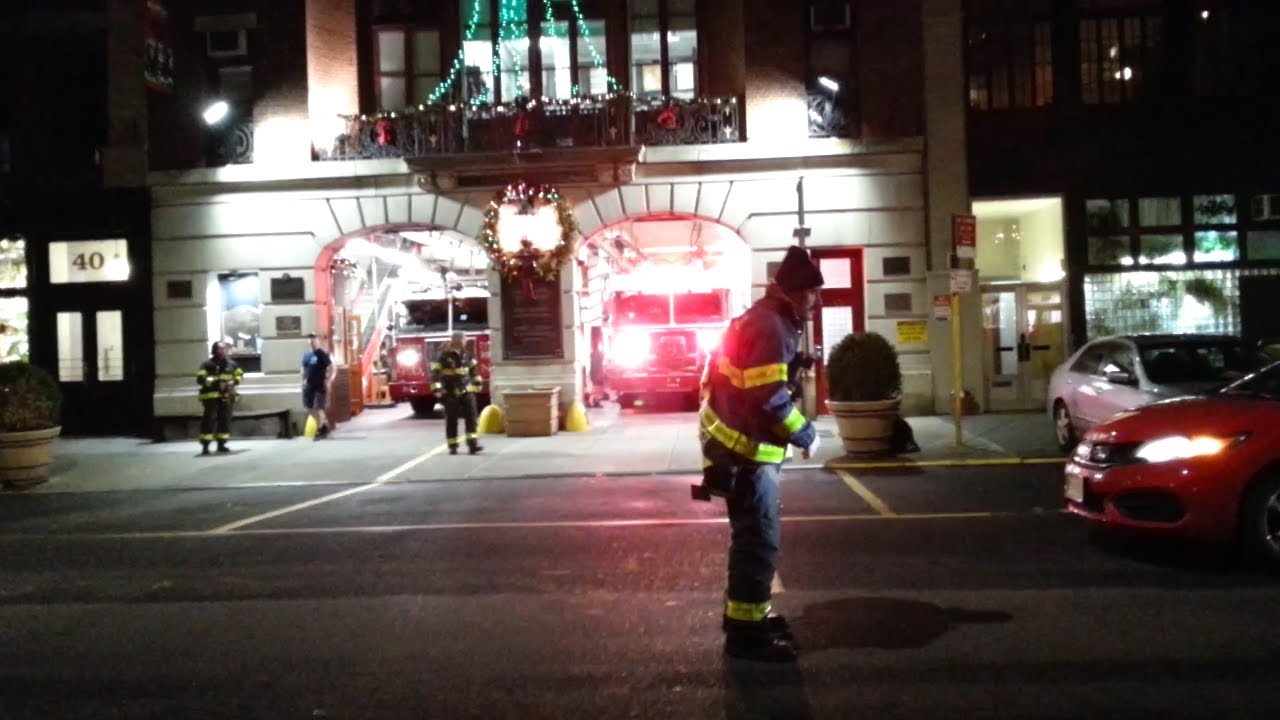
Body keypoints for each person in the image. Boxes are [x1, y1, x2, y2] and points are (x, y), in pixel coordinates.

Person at [693, 245, 823, 663]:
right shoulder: (771, 327)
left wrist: (795, 359)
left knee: (752, 542)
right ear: (792, 292)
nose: (815, 301)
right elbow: (768, 398)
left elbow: (754, 377)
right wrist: (805, 433)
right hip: (748, 457)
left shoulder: (767, 319)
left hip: (737, 452)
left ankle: (751, 620)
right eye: (811, 293)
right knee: (758, 544)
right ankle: (747, 637)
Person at [431, 331, 483, 455]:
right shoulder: (444, 356)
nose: (466, 341)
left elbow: (473, 372)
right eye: (464, 339)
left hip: (467, 391)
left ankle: (472, 445)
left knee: (471, 418)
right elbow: (435, 374)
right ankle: (453, 446)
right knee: (451, 420)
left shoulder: (467, 355)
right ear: (459, 340)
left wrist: (478, 383)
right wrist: (437, 389)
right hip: (450, 392)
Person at [195, 341, 243, 455]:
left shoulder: (232, 364)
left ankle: (222, 444)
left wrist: (233, 381)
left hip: (227, 396)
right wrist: (216, 383)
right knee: (209, 420)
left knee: (225, 420)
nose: (223, 351)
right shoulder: (207, 364)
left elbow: (240, 375)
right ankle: (205, 446)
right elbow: (200, 379)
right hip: (211, 397)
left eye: (225, 348)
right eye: (220, 349)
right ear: (215, 350)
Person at [302, 333, 336, 439]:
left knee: (319, 407)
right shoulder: (307, 356)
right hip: (309, 385)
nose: (312, 342)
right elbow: (304, 369)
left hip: (319, 385)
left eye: (314, 339)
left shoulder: (321, 354)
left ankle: (321, 428)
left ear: (318, 341)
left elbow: (331, 367)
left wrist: (329, 380)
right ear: (308, 342)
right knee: (309, 407)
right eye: (310, 340)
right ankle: (323, 424)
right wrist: (302, 380)